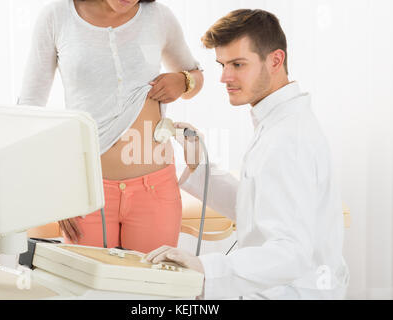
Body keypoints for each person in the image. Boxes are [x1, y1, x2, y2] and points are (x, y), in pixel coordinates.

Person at [145, 9, 349, 299]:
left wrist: (204, 267)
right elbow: (258, 209)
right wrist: (198, 166)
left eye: (238, 64)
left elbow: (291, 253)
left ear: (275, 60)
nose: (224, 77)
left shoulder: (288, 139)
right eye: (222, 65)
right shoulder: (278, 123)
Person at [18, 0, 203, 253]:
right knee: (90, 289)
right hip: (85, 190)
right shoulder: (57, 16)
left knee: (150, 288)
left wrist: (184, 81)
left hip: (154, 189)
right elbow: (30, 106)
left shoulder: (159, 17)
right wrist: (56, 187)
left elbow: (195, 75)